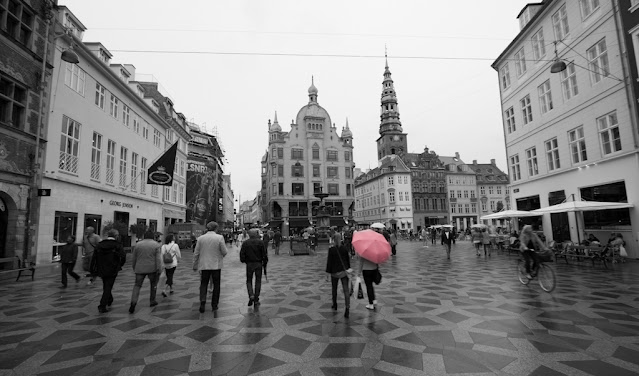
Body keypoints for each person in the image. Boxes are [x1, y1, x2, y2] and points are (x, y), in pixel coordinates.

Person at [193, 221, 228, 313]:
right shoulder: (219, 237)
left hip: (204, 265)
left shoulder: (201, 238)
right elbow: (224, 252)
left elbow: (196, 253)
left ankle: (202, 302)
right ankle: (214, 305)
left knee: (203, 284)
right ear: (216, 228)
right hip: (216, 265)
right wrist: (220, 255)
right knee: (216, 285)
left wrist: (195, 264)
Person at [91, 229, 126, 313]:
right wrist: (119, 265)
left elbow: (94, 257)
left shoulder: (100, 245)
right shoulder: (117, 245)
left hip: (101, 267)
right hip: (112, 268)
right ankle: (102, 305)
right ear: (116, 236)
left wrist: (93, 269)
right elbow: (123, 256)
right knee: (108, 286)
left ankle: (109, 299)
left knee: (106, 284)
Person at [129, 231, 162, 313]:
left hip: (139, 268)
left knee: (137, 285)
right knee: (153, 284)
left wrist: (134, 267)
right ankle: (152, 300)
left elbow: (134, 258)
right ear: (152, 237)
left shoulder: (138, 244)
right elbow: (158, 259)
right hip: (152, 268)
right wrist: (159, 268)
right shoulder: (156, 245)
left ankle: (133, 303)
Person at [239, 229, 268, 307]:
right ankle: (256, 298)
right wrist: (264, 263)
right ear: (256, 234)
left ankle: (251, 295)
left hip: (249, 264)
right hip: (258, 263)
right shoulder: (260, 242)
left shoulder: (245, 243)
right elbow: (264, 254)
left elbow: (242, 255)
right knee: (258, 281)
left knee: (249, 280)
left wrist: (245, 261)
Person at [326, 244, 352, 318]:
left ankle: (335, 304)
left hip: (334, 272)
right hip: (343, 272)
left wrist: (328, 272)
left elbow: (329, 261)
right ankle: (347, 307)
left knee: (334, 289)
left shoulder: (331, 249)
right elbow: (347, 260)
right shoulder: (344, 248)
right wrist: (348, 269)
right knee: (346, 290)